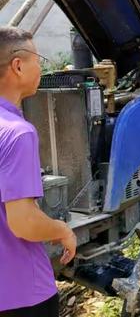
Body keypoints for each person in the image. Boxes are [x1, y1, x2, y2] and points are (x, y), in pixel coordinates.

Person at [0, 27, 77, 317]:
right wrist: (62, 230)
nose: (41, 67)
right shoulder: (18, 134)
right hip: (22, 294)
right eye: (38, 59)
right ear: (18, 66)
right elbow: (23, 222)